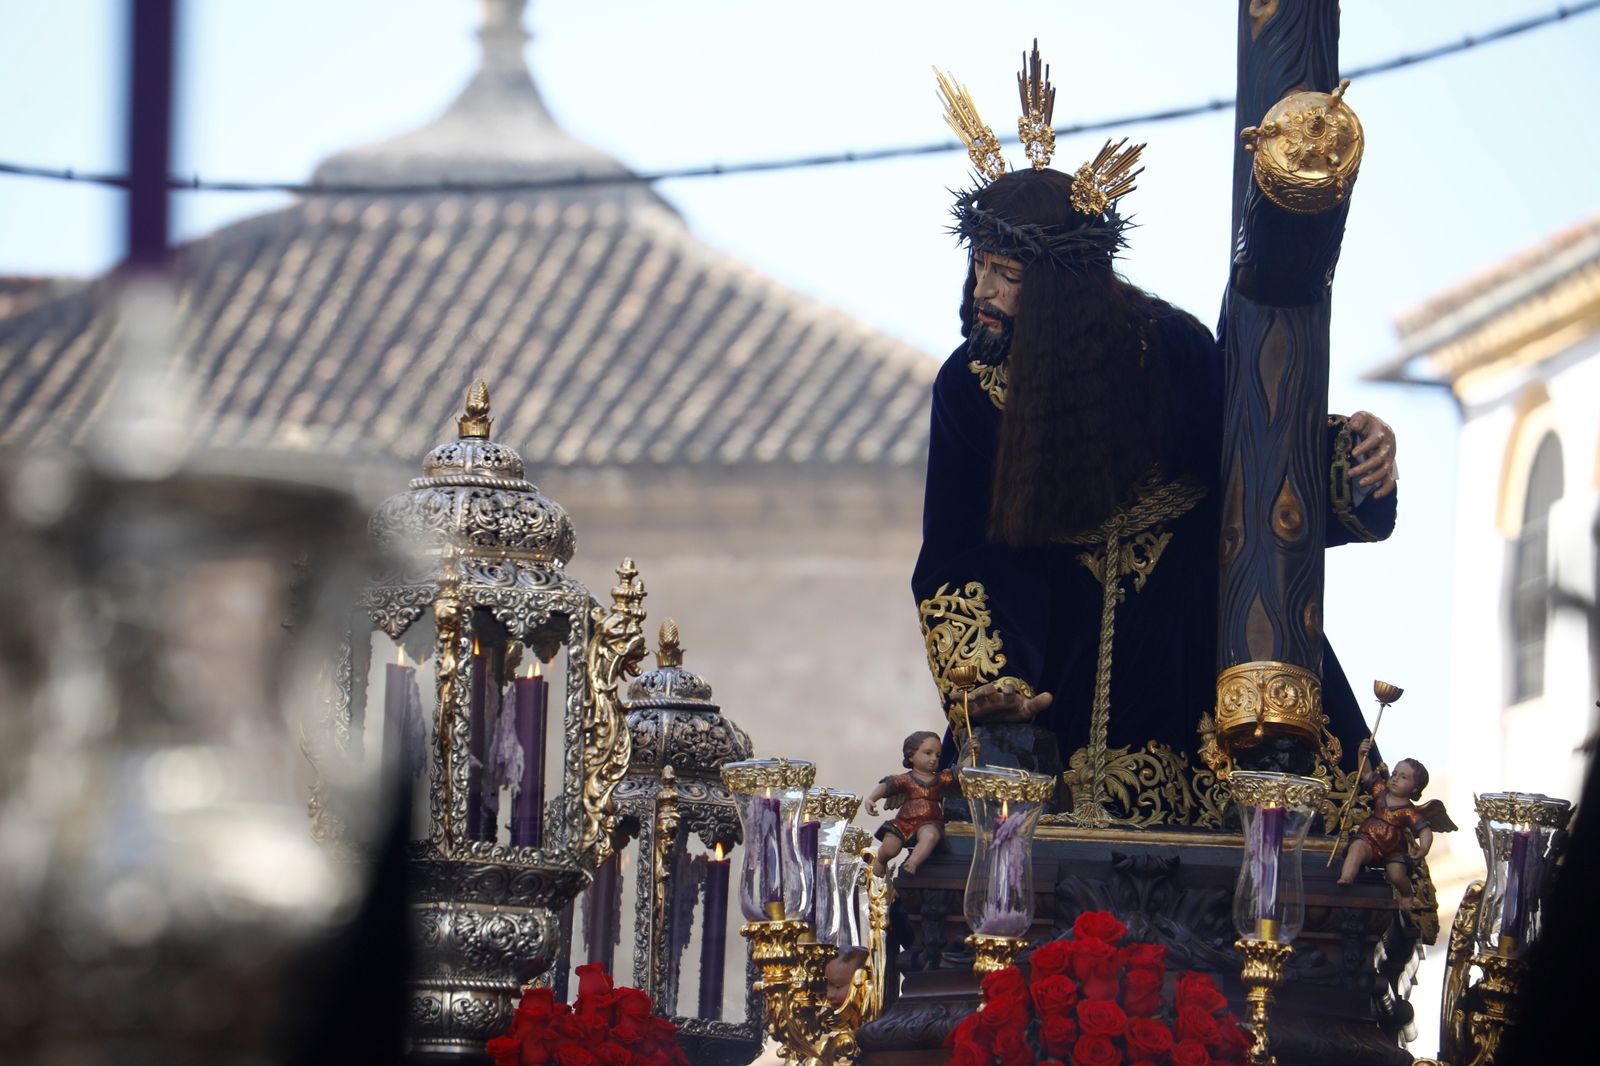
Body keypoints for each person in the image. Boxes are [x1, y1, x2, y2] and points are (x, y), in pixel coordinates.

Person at [914, 54, 1397, 814]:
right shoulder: (970, 388)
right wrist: (986, 687)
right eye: (980, 268)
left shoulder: (1168, 349)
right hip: (1045, 663)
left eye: (1006, 276)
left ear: (1061, 294)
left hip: (1187, 653)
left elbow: (1255, 461)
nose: (982, 292)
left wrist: (1349, 457)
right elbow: (954, 557)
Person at [1336, 740, 1454, 907]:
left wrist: (1423, 848)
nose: (1395, 779)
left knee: (1397, 875)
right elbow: (1366, 774)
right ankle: (1347, 877)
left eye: (1403, 777)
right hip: (1369, 839)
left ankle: (1406, 895)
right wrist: (1362, 755)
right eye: (1394, 774)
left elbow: (1425, 830)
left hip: (1393, 849)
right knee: (1356, 849)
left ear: (1415, 788)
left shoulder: (1409, 811)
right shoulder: (1381, 792)